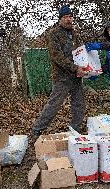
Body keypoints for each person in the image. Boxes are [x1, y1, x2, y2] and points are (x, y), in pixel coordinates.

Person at [32, 5, 86, 136]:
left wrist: (86, 66)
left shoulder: (75, 34)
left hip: (76, 76)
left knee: (79, 104)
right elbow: (57, 57)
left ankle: (75, 129)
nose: (69, 19)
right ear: (60, 19)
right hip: (62, 77)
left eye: (70, 17)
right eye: (66, 17)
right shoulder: (54, 34)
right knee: (54, 104)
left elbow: (81, 52)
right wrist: (75, 68)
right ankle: (37, 129)